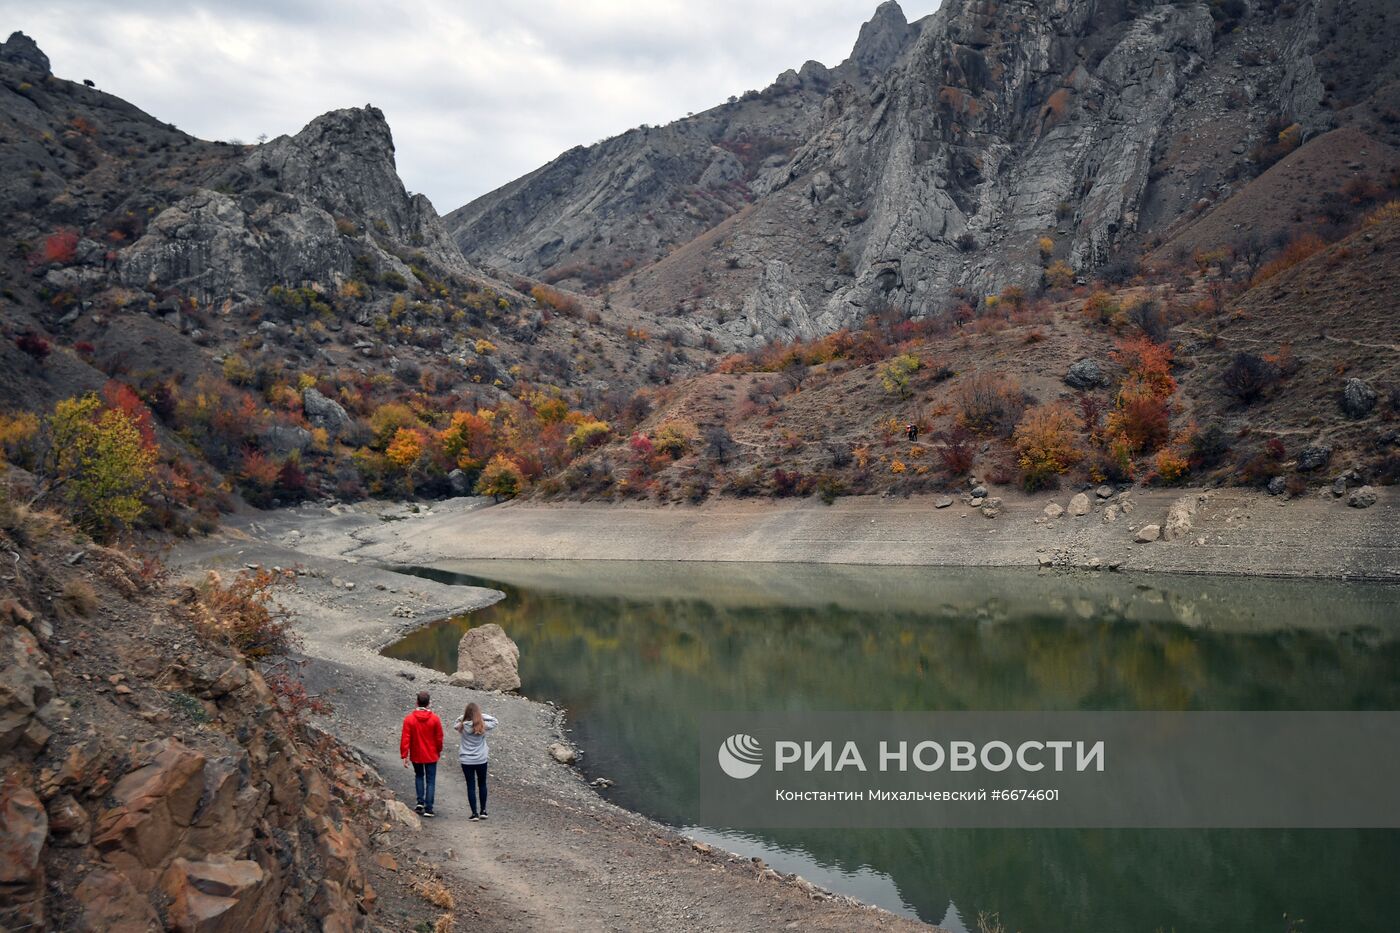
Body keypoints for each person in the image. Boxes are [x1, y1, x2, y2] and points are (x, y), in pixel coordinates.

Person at [399, 691, 444, 817]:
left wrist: (404, 755)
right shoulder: (435, 719)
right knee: (430, 780)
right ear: (429, 703)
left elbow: (405, 738)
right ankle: (429, 808)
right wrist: (438, 750)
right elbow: (439, 737)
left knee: (419, 776)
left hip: (417, 753)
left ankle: (420, 802)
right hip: (431, 754)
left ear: (417, 702)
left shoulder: (409, 719)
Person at [454, 702, 498, 821]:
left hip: (466, 760)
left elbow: (455, 723)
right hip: (481, 759)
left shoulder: (461, 726)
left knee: (471, 786)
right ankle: (483, 811)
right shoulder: (482, 726)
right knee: (482, 784)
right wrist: (480, 716)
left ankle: (474, 813)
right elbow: (495, 721)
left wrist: (464, 717)